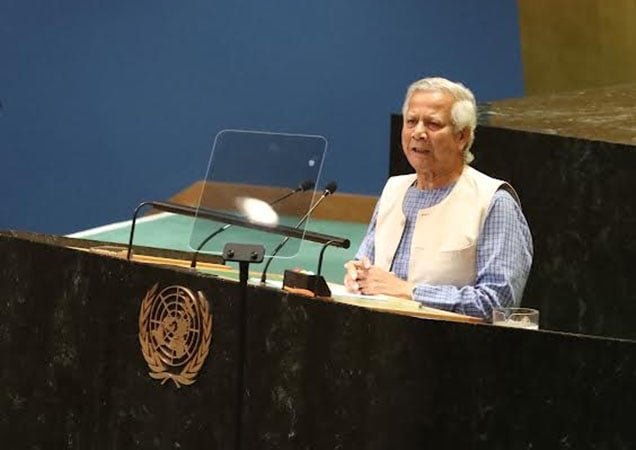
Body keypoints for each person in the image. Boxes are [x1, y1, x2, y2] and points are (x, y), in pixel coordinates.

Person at [344, 77, 533, 320]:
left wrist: (410, 292)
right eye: (411, 121)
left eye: (433, 124)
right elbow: (366, 265)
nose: (418, 133)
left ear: (461, 136)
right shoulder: (394, 189)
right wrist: (358, 276)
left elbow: (497, 303)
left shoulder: (494, 202)